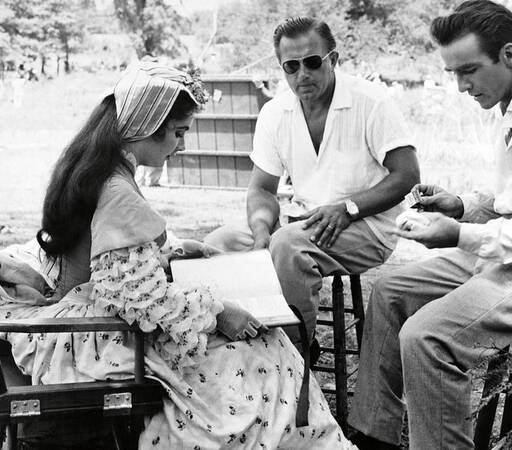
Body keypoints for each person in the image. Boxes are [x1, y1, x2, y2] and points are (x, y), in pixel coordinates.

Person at [0, 62, 358, 449]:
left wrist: (169, 253)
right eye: (178, 132)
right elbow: (138, 299)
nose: (182, 145)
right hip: (101, 334)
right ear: (146, 125)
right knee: (268, 351)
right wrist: (220, 311)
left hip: (88, 314)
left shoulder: (94, 166)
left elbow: (111, 258)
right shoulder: (116, 189)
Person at [348, 1, 512, 449]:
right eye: (452, 74)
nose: (461, 86)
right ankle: (373, 436)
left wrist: (461, 235)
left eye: (468, 70)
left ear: (509, 54)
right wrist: (461, 205)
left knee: (428, 338)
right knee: (390, 292)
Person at [206, 17, 419, 349]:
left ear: (332, 60)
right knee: (219, 243)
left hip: (368, 225)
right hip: (304, 220)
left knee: (289, 246)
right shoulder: (276, 113)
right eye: (291, 66)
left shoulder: (370, 101)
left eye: (312, 62)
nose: (302, 74)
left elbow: (407, 175)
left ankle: (291, 353)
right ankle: (243, 348)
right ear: (282, 68)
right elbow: (262, 188)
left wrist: (349, 209)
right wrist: (261, 229)